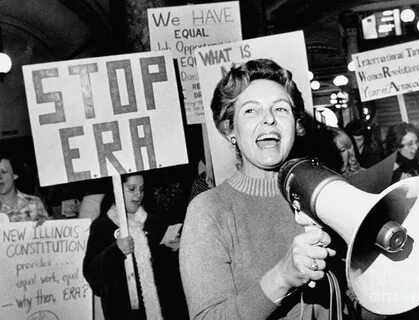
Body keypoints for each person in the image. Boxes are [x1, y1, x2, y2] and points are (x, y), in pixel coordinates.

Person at [179, 59, 340, 320]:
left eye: (280, 109)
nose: (269, 119)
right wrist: (283, 277)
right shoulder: (209, 210)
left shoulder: (324, 193)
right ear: (230, 129)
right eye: (251, 111)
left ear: (296, 126)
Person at [83, 173, 164, 320]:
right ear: (117, 190)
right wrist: (115, 251)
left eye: (142, 189)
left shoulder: (152, 221)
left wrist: (173, 247)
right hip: (122, 312)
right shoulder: (102, 226)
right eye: (132, 189)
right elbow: (91, 274)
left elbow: (164, 272)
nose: (138, 195)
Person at [0, 151, 48, 223]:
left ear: (14, 175)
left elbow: (48, 232)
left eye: (4, 172)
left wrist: (44, 224)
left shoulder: (34, 203)